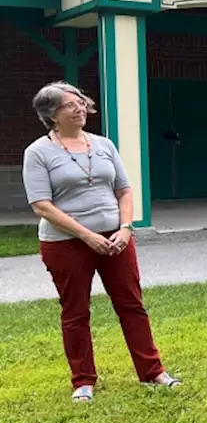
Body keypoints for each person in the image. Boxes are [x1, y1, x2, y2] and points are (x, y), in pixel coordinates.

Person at [22, 82, 180, 402]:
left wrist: (125, 228)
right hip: (65, 243)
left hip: (116, 239)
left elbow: (124, 190)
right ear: (52, 115)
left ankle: (152, 372)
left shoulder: (104, 144)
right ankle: (83, 381)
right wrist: (87, 235)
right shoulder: (38, 152)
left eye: (81, 102)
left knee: (132, 305)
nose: (80, 108)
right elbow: (41, 205)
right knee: (76, 311)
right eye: (70, 105)